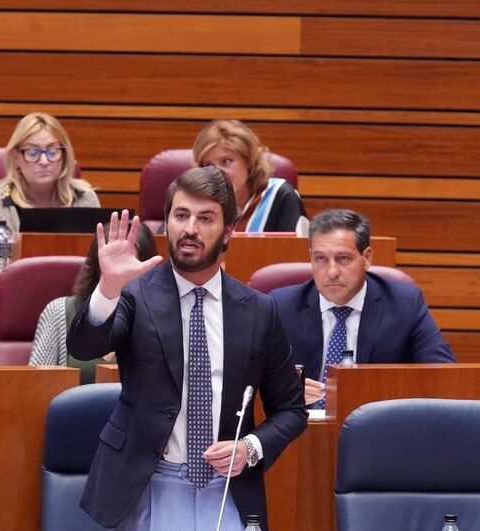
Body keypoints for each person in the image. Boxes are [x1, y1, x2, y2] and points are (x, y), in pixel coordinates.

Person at [67, 167, 307, 530]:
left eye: (205, 218)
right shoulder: (136, 294)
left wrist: (250, 448)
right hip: (148, 484)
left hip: (225, 487)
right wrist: (108, 289)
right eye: (180, 215)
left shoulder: (259, 310)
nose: (190, 228)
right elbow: (85, 347)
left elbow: (290, 409)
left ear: (229, 230)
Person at [270, 209, 456, 407]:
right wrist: (286, 390)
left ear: (366, 257)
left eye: (343, 258)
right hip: (300, 428)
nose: (332, 272)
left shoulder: (404, 305)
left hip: (376, 428)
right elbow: (246, 378)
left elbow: (444, 376)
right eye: (320, 258)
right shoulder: (282, 306)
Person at [29, 222, 158, 384]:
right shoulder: (59, 312)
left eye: (130, 265)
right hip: (73, 409)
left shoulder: (163, 317)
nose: (122, 274)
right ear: (98, 267)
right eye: (116, 263)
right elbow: (36, 385)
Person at [0, 111, 100, 234]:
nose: (44, 161)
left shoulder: (85, 200)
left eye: (53, 151)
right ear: (15, 157)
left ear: (65, 156)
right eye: (32, 152)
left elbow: (96, 253)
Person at [193, 119, 308, 236]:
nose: (216, 172)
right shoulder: (196, 203)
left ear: (248, 161)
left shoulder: (279, 196)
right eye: (209, 165)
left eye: (226, 161)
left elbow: (298, 252)